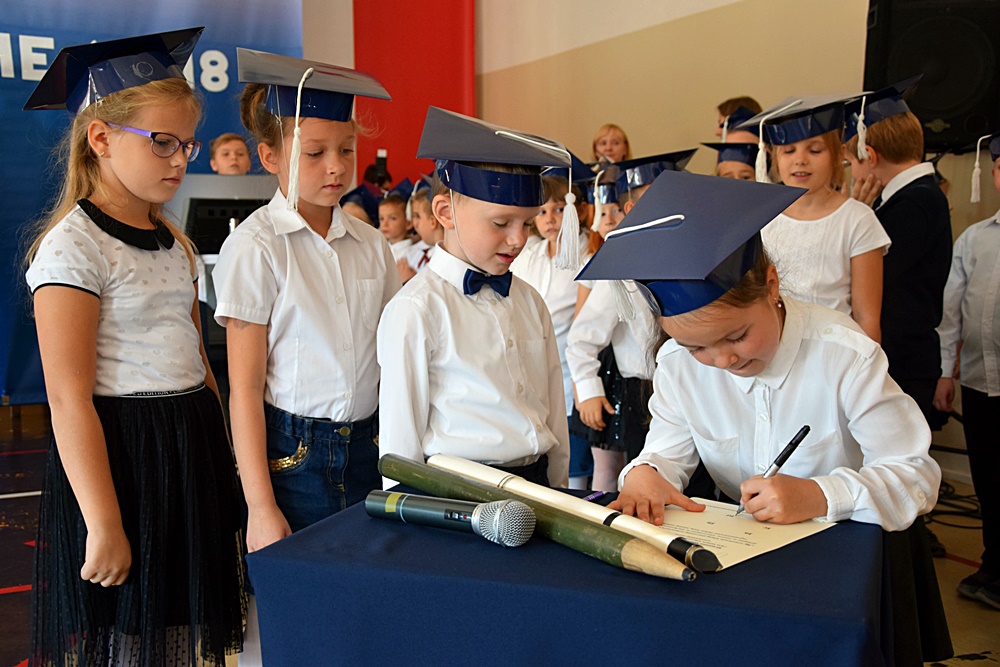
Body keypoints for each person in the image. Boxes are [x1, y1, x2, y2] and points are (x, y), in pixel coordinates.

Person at [23, 29, 246, 665]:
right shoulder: (73, 248)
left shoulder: (174, 242)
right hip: (125, 459)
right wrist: (105, 521)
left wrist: (220, 458)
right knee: (127, 637)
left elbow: (196, 355)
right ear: (101, 139)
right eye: (164, 143)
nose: (181, 160)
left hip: (187, 448)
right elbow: (68, 399)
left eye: (188, 144)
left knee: (178, 628)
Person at [377, 107, 571, 488]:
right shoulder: (416, 309)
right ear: (445, 212)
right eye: (501, 223)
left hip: (539, 485)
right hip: (462, 493)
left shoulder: (531, 301)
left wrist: (561, 487)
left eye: (527, 223)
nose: (518, 239)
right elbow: (400, 444)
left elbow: (553, 413)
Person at [842, 79, 952, 430]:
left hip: (904, 360)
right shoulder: (914, 197)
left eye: (850, 163)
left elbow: (870, 276)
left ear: (869, 156)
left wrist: (853, 220)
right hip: (903, 356)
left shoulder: (915, 203)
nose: (852, 173)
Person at [743, 95, 890, 342]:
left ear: (838, 154)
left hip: (835, 349)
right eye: (788, 151)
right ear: (774, 156)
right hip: (773, 347)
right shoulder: (761, 217)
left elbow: (868, 318)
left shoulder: (857, 220)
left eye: (815, 150)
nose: (800, 159)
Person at [933, 130, 1000, 610]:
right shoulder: (976, 239)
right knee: (989, 478)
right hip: (981, 381)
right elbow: (952, 312)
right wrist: (945, 372)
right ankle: (993, 566)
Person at [512, 175, 594, 488]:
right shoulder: (528, 254)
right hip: (530, 370)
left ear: (579, 211)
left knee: (574, 459)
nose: (550, 220)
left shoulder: (586, 256)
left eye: (559, 210)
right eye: (543, 212)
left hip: (569, 370)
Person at [379, 183, 415, 263]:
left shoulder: (413, 254)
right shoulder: (380, 249)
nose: (384, 224)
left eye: (393, 218)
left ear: (408, 223)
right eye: (381, 218)